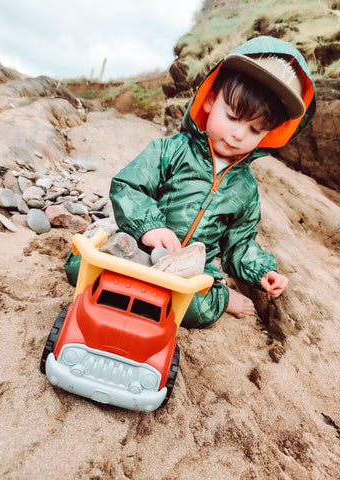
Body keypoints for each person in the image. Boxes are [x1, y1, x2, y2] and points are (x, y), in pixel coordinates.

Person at [108, 36, 316, 328]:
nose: (238, 135)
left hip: (191, 268)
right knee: (79, 267)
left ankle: (222, 296)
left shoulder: (245, 189)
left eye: (255, 129)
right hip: (144, 247)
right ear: (209, 100)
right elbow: (128, 186)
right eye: (232, 117)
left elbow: (239, 243)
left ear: (267, 135)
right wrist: (149, 227)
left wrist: (262, 272)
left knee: (199, 310)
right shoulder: (170, 149)